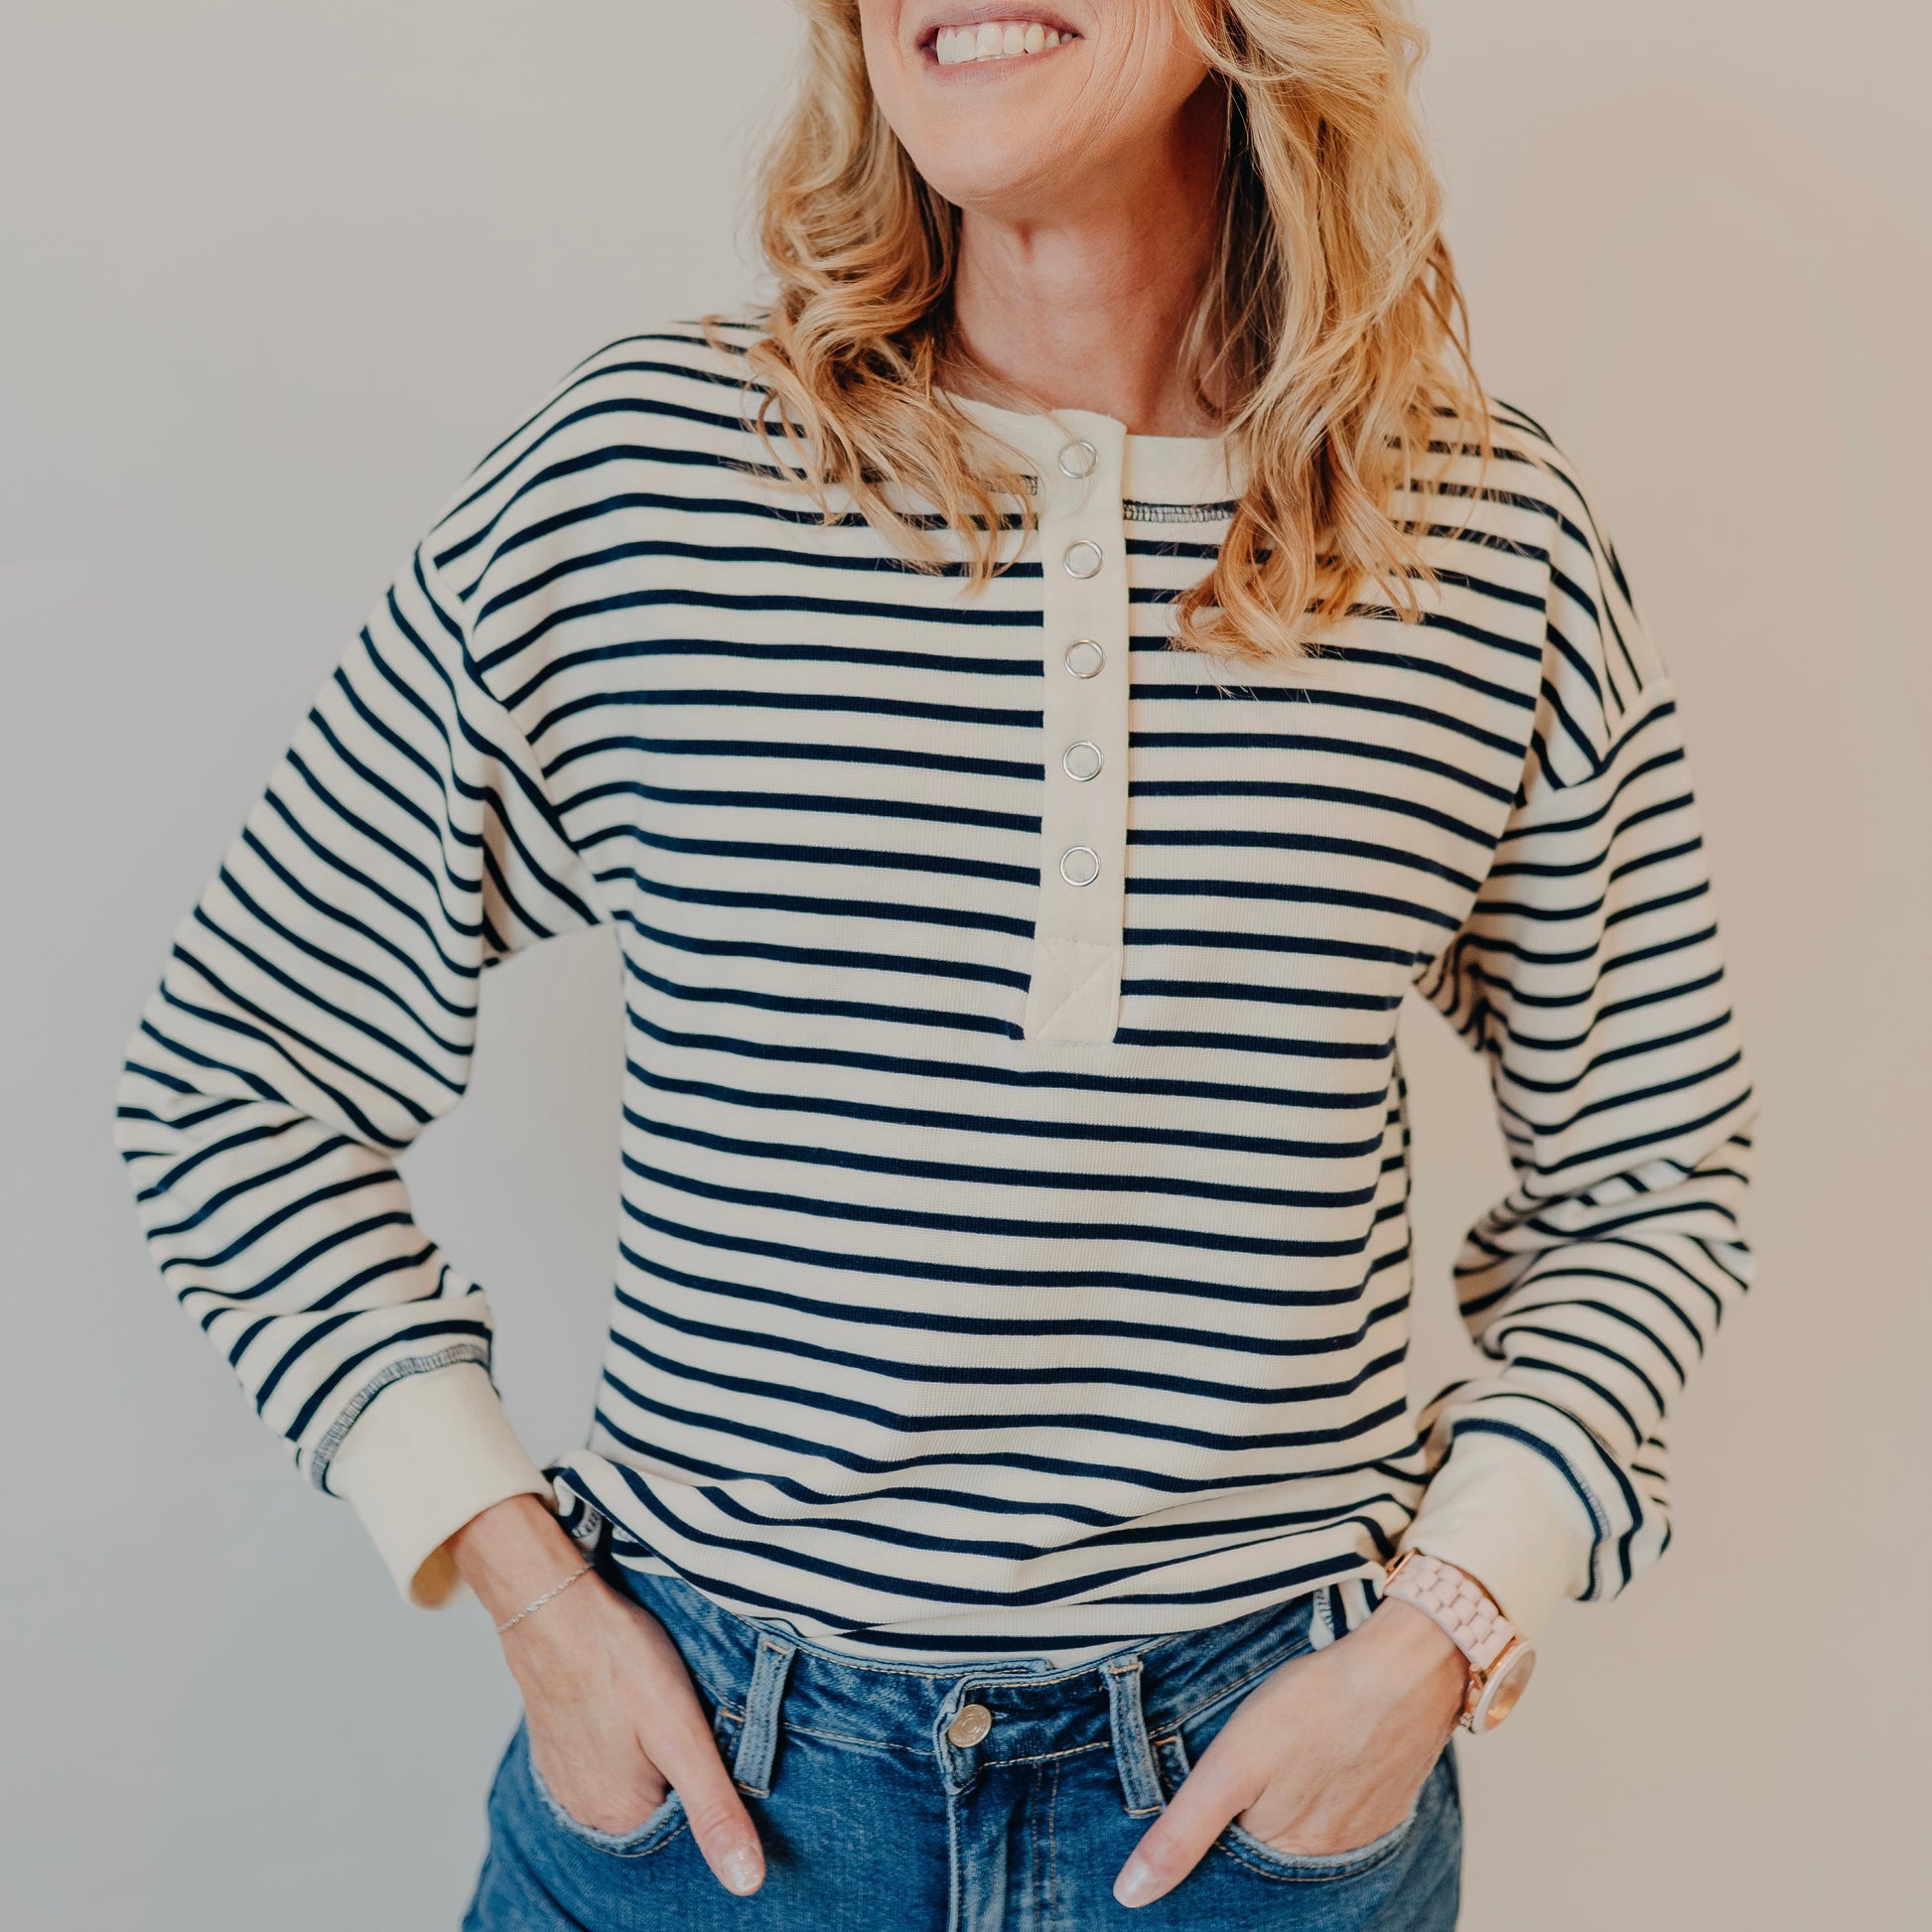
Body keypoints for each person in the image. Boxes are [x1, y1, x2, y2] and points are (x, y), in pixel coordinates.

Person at [113, 3, 1756, 1926]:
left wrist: (1441, 1630)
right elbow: (231, 1075)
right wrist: (527, 1583)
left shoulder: (1479, 538)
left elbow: (1654, 1179)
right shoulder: (642, 481)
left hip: (1254, 1818)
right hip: (706, 1801)